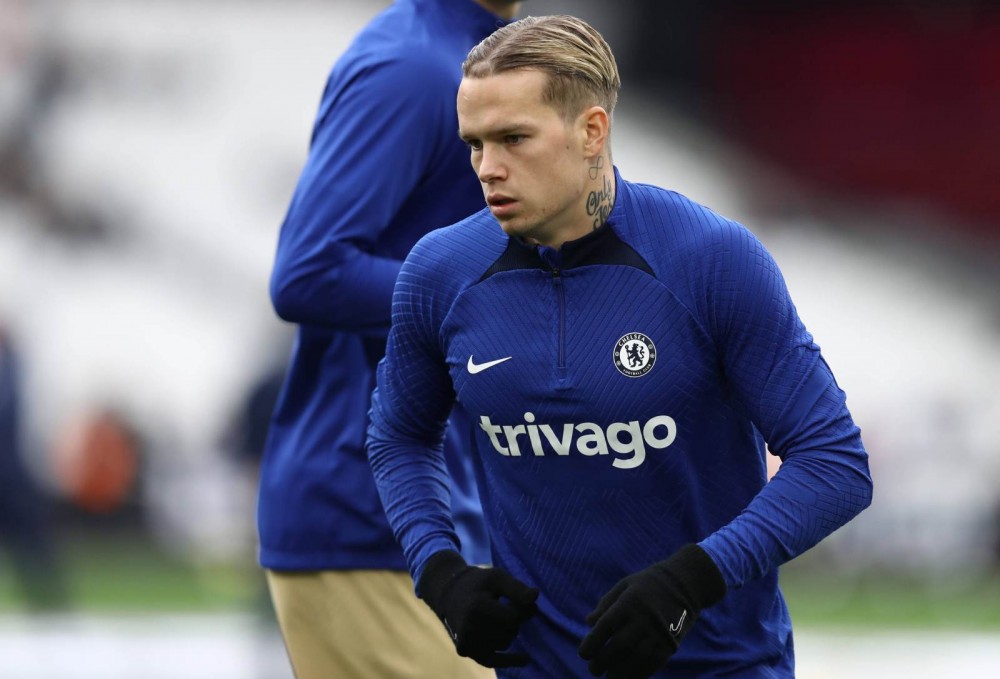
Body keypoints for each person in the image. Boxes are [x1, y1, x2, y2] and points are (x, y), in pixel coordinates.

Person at [367, 14, 874, 679]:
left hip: (721, 668)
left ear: (591, 131)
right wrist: (439, 571)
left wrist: (693, 579)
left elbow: (835, 462)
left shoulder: (712, 260)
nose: (488, 168)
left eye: (514, 138)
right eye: (475, 143)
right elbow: (399, 436)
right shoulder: (439, 272)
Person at [258, 1, 523, 677]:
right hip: (369, 518)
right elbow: (309, 271)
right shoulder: (411, 67)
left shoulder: (483, 57)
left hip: (437, 516)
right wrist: (496, 300)